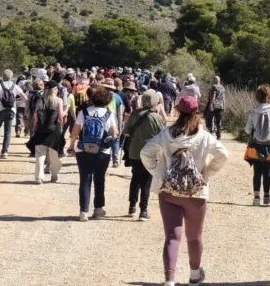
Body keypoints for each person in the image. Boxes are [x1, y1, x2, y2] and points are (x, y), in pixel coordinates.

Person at [140, 95, 229, 286]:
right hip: (195, 192)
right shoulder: (204, 136)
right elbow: (223, 154)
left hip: (169, 190)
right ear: (197, 111)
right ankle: (195, 275)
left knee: (172, 235)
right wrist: (207, 172)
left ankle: (169, 280)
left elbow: (145, 153)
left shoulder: (166, 134)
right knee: (194, 236)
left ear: (178, 111)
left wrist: (160, 173)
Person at [69, 84, 120, 222]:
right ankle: (98, 209)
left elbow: (75, 131)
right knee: (99, 179)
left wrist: (71, 146)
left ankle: (83, 211)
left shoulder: (84, 112)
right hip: (102, 151)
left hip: (83, 150)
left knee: (85, 180)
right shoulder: (109, 114)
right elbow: (115, 133)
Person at [123, 89, 166, 220]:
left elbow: (125, 132)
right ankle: (144, 210)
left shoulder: (135, 114)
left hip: (135, 151)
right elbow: (163, 136)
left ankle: (132, 207)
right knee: (146, 182)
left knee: (135, 178)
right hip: (151, 154)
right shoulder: (156, 117)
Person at [244, 84, 270, 206]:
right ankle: (266, 196)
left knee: (257, 172)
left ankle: (256, 197)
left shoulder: (253, 111)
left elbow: (247, 129)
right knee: (267, 172)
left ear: (257, 97)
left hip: (256, 145)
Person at [29, 79, 66, 184]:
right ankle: (54, 175)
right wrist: (66, 111)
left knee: (40, 154)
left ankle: (39, 178)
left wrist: (36, 127)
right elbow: (61, 116)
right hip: (54, 129)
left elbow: (36, 116)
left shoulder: (40, 100)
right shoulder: (58, 100)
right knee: (54, 155)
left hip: (41, 129)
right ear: (55, 90)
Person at [0, 69, 23, 159]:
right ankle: (4, 152)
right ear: (11, 76)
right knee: (7, 131)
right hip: (11, 110)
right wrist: (17, 103)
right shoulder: (15, 86)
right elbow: (25, 97)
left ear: (3, 76)